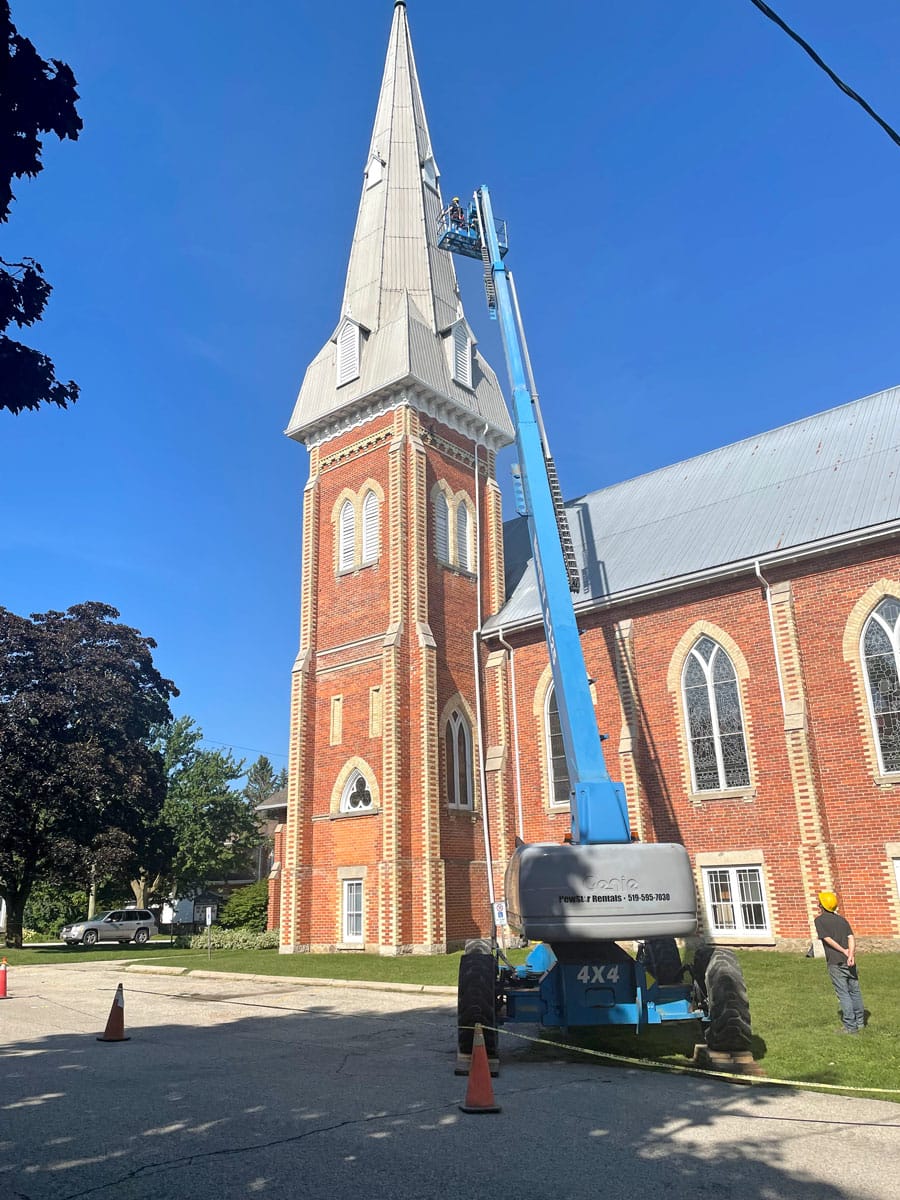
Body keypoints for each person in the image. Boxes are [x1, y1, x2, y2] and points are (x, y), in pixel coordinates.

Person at [814, 890, 865, 1033]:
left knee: (843, 993)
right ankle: (860, 1022)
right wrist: (851, 954)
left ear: (821, 905)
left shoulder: (819, 921)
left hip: (835, 962)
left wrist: (843, 951)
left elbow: (827, 939)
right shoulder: (842, 920)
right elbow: (851, 937)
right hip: (850, 961)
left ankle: (850, 1027)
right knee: (855, 991)